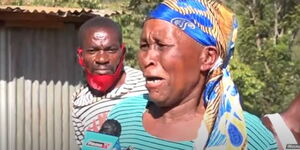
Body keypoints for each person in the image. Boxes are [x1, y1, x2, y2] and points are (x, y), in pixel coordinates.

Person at [107, 0, 278, 149]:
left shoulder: (253, 138)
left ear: (208, 57)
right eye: (144, 46)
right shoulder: (122, 117)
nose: (146, 59)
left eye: (162, 45)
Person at [71, 16, 147, 146]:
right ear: (81, 57)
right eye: (92, 51)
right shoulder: (79, 105)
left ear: (122, 54)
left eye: (111, 50)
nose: (102, 59)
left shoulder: (147, 86)